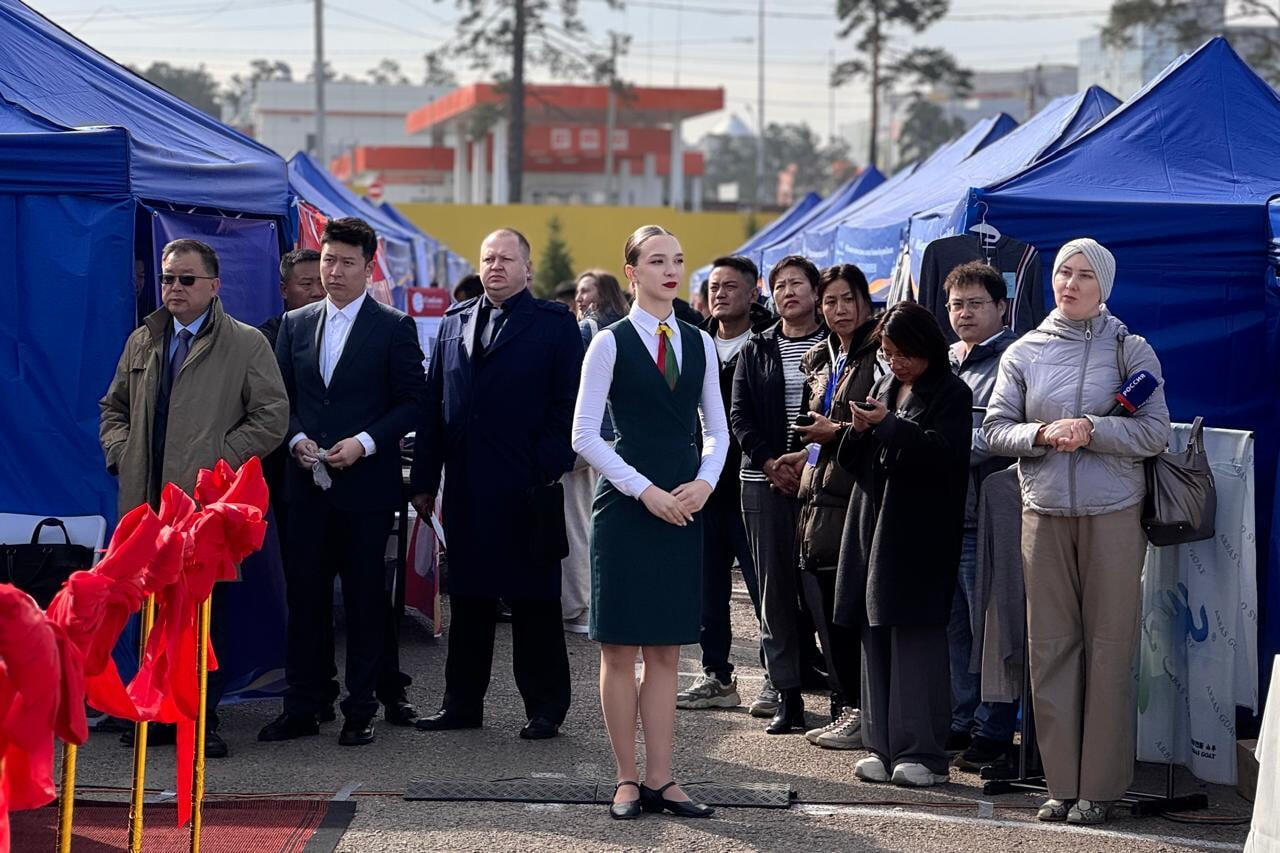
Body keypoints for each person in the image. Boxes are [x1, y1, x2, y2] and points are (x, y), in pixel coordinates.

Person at [983, 238, 1170, 825]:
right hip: (1042, 511)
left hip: (1113, 510)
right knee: (1051, 648)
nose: (1070, 283)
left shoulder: (1132, 350)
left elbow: (1155, 433)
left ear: (1105, 285)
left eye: (1085, 275)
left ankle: (1102, 788)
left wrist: (1091, 429)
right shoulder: (1025, 351)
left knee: (1110, 649)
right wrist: (1040, 435)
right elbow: (992, 432)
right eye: (1064, 272)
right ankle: (1061, 785)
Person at [100, 238, 289, 758]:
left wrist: (221, 462)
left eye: (186, 279)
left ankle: (201, 719)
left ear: (214, 285)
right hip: (147, 505)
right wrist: (122, 451)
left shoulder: (246, 343)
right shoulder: (144, 340)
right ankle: (156, 714)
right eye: (167, 279)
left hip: (204, 510)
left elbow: (271, 416)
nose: (174, 288)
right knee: (151, 613)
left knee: (205, 615)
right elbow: (112, 407)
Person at [572, 224, 726, 820]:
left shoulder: (700, 341)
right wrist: (644, 490)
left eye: (679, 261)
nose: (671, 270)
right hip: (627, 509)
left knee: (666, 653)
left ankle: (664, 779)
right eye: (657, 261)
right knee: (619, 651)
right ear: (631, 272)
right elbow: (584, 434)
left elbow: (717, 428)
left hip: (685, 506)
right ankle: (626, 779)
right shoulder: (607, 342)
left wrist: (706, 483)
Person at [259, 217, 427, 748]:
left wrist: (365, 443)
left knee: (362, 599)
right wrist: (296, 439)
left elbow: (414, 403)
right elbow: (277, 398)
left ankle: (361, 706)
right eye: (328, 260)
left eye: (346, 263)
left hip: (366, 489)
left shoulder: (393, 326)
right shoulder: (296, 323)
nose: (334, 272)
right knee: (305, 599)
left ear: (368, 268)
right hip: (304, 485)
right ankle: (304, 703)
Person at [410, 228, 583, 740]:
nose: (496, 267)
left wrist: (543, 464)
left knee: (534, 602)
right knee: (469, 600)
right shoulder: (453, 323)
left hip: (528, 487)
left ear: (527, 268)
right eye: (488, 258)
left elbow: (568, 406)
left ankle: (545, 706)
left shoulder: (553, 325)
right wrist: (424, 479)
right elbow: (433, 408)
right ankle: (461, 703)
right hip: (466, 485)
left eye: (507, 259)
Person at [836, 301, 971, 788]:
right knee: (874, 631)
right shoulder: (883, 385)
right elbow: (855, 460)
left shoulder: (952, 392)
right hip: (873, 521)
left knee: (915, 637)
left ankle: (923, 752)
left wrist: (889, 425)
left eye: (902, 353)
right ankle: (882, 743)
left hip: (920, 530)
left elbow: (945, 455)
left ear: (925, 346)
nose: (895, 362)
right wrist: (855, 429)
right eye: (888, 353)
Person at [730, 255, 827, 732]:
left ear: (815, 292)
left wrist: (805, 462)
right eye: (781, 285)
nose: (789, 292)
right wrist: (771, 463)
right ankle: (787, 696)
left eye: (798, 284)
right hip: (763, 482)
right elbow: (739, 416)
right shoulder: (757, 348)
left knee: (818, 588)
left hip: (820, 482)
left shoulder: (834, 348)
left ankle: (841, 696)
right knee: (773, 591)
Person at [675, 255, 773, 711]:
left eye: (731, 286)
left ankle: (779, 678)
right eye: (713, 286)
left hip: (754, 482)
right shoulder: (694, 345)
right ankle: (717, 676)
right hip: (703, 485)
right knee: (707, 588)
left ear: (753, 292)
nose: (720, 294)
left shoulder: (768, 345)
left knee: (763, 588)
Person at [792, 264, 881, 748]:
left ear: (865, 302)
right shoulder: (823, 357)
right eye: (830, 302)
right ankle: (844, 706)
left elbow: (880, 429)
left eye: (847, 299)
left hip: (856, 500)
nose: (839, 310)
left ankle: (863, 710)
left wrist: (837, 434)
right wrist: (803, 455)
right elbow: (819, 430)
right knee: (825, 610)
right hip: (816, 497)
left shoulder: (879, 355)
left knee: (851, 613)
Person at [940, 261, 1021, 771]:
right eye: (955, 304)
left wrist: (935, 445)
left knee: (991, 627)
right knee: (954, 628)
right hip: (941, 516)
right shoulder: (944, 361)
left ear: (1001, 308)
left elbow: (998, 435)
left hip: (986, 517)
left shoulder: (1014, 360)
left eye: (975, 304)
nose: (963, 313)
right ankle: (962, 716)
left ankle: (995, 726)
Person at [562, 272, 629, 634]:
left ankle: (579, 606)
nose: (579, 296)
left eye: (584, 289)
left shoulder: (588, 328)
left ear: (601, 292)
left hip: (588, 437)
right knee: (601, 521)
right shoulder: (628, 328)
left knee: (577, 521)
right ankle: (603, 601)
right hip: (617, 436)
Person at [258, 249, 325, 553]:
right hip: (281, 474)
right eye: (306, 284)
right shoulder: (264, 339)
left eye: (321, 282)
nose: (317, 292)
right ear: (284, 290)